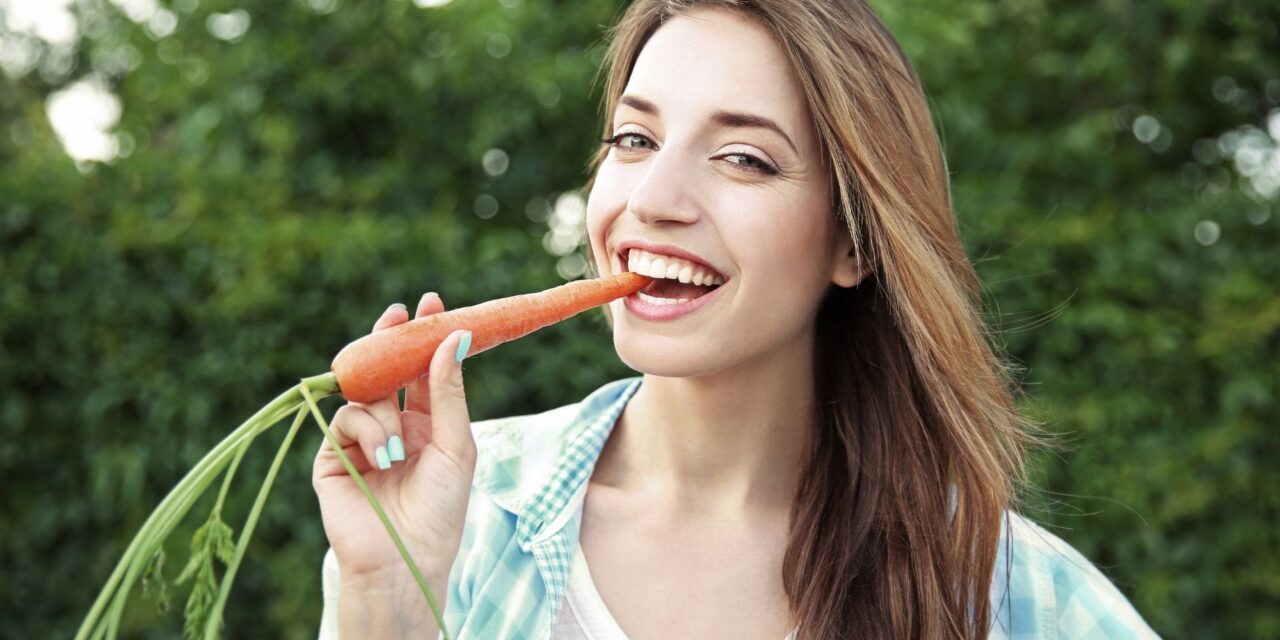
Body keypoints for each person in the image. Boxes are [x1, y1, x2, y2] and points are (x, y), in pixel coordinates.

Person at [314, 1, 1160, 638]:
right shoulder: (459, 516)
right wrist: (385, 601)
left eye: (743, 158)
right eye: (634, 140)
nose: (653, 200)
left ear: (855, 242)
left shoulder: (1005, 592)